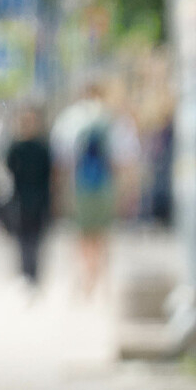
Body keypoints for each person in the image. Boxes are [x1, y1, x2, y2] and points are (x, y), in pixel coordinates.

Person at [50, 82, 134, 297]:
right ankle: (100, 277)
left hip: (79, 184)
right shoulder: (112, 119)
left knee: (82, 233)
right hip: (105, 184)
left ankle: (86, 275)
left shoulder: (71, 118)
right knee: (102, 234)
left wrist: (58, 188)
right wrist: (127, 188)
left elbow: (61, 157)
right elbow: (124, 157)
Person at [4, 105, 54, 290]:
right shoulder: (16, 147)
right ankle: (25, 274)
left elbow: (50, 175)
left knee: (36, 241)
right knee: (23, 241)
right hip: (20, 202)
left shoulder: (42, 148)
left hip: (39, 201)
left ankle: (34, 276)